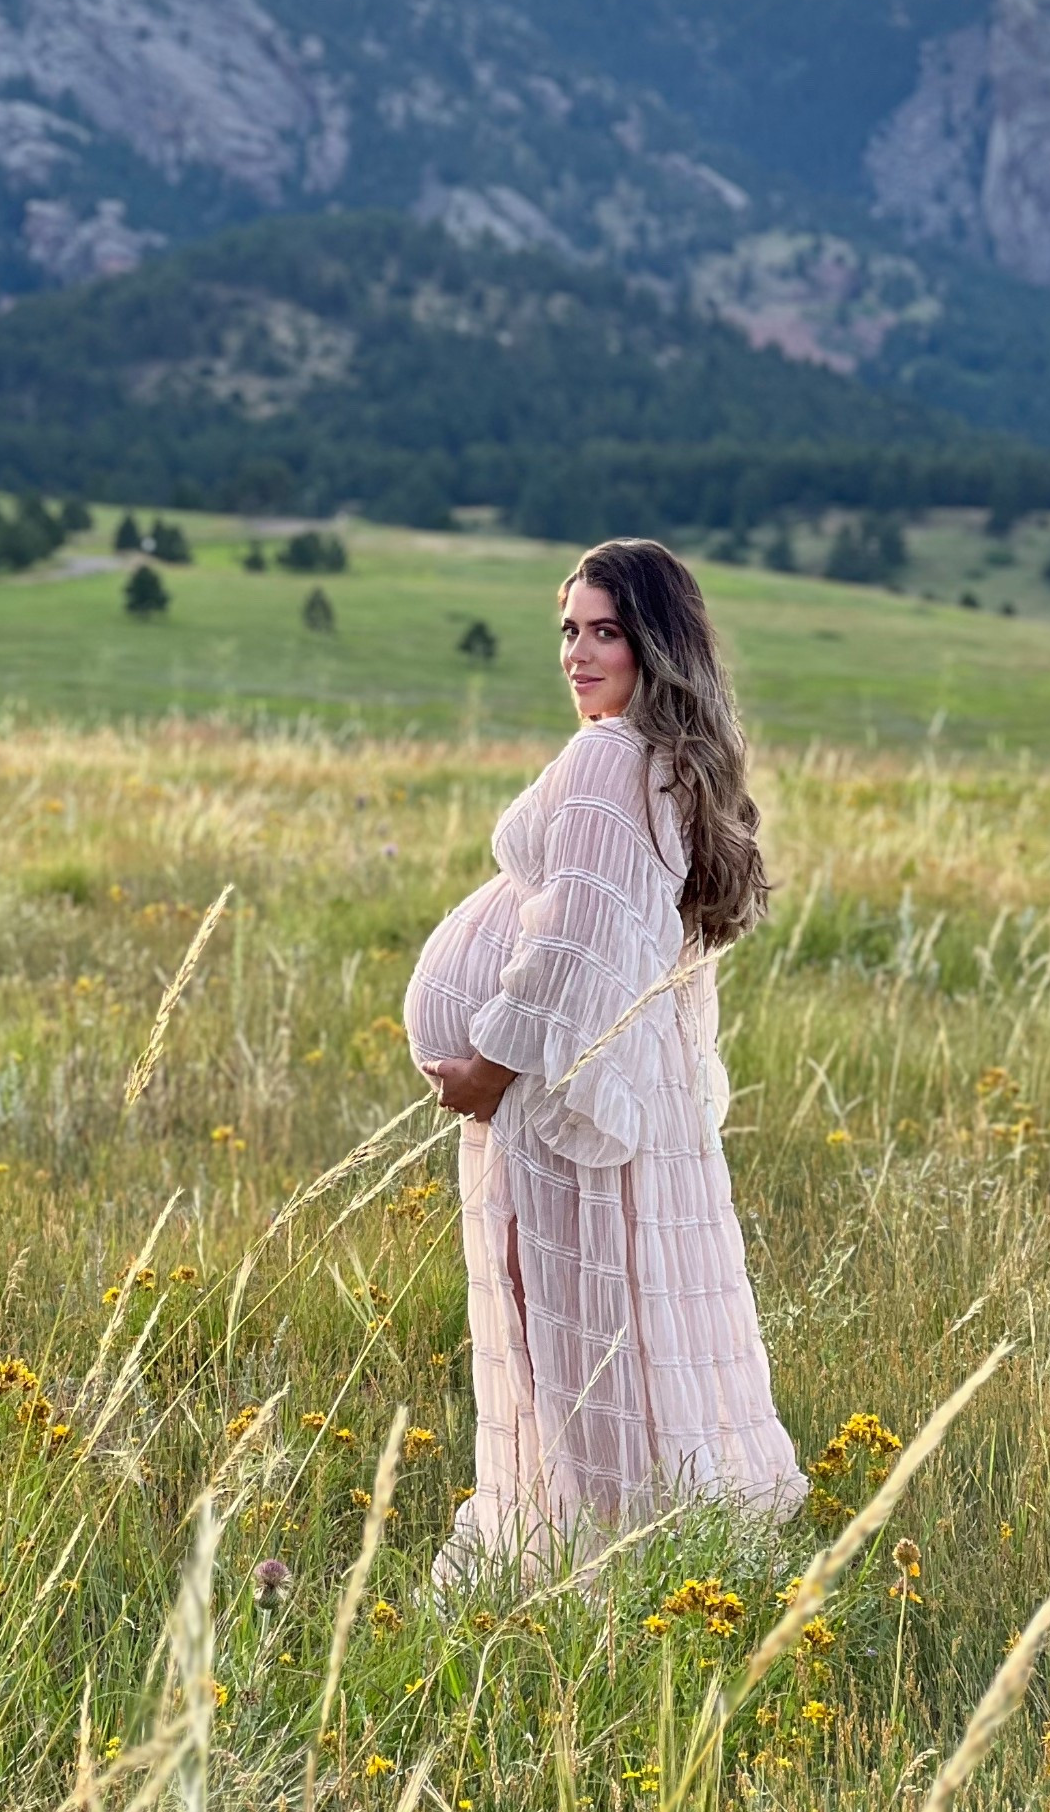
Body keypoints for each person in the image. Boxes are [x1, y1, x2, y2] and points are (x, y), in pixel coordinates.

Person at [403, 538, 807, 1598]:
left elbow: (575, 937)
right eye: (569, 630)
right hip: (630, 1099)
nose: (579, 653)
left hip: (560, 1106)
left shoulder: (605, 761)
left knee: (571, 1345)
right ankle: (654, 1567)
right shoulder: (672, 764)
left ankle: (592, 1576)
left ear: (654, 644)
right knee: (628, 1332)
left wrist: (491, 1063)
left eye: (606, 631)